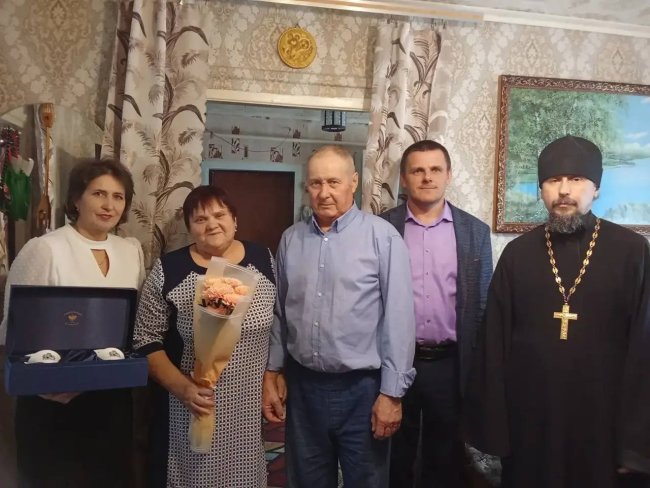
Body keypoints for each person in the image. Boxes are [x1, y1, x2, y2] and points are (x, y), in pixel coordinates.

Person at [464, 135, 650, 488]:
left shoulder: (632, 252)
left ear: (596, 188)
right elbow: (494, 344)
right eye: (553, 180)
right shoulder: (518, 255)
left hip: (605, 425)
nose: (564, 190)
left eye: (576, 179)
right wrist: (496, 432)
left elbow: (645, 350)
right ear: (541, 190)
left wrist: (636, 445)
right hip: (531, 422)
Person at [262, 145, 416, 488]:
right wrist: (273, 371)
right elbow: (281, 313)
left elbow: (400, 320)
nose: (324, 192)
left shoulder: (382, 238)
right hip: (304, 389)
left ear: (354, 182)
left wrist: (392, 394)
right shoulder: (291, 239)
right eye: (316, 183)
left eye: (333, 182)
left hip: (363, 391)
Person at [0, 158, 145, 487]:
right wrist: (43, 384)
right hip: (53, 397)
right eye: (98, 194)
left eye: (118, 197)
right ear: (77, 198)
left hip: (111, 396)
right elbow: (15, 328)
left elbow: (132, 324)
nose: (109, 205)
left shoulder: (130, 251)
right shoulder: (45, 249)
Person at [133, 185, 276, 488]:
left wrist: (274, 377)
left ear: (234, 220)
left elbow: (281, 323)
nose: (212, 224)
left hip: (248, 407)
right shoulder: (170, 269)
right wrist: (183, 388)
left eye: (219, 215)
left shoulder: (263, 259)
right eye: (200, 219)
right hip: (192, 403)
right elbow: (145, 339)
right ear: (189, 228)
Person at [380, 140, 492, 487]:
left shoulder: (474, 232)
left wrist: (479, 373)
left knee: (445, 459)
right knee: (394, 454)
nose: (427, 177)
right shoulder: (382, 228)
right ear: (404, 178)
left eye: (435, 170)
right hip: (396, 362)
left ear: (448, 175)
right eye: (418, 170)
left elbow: (482, 306)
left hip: (450, 365)